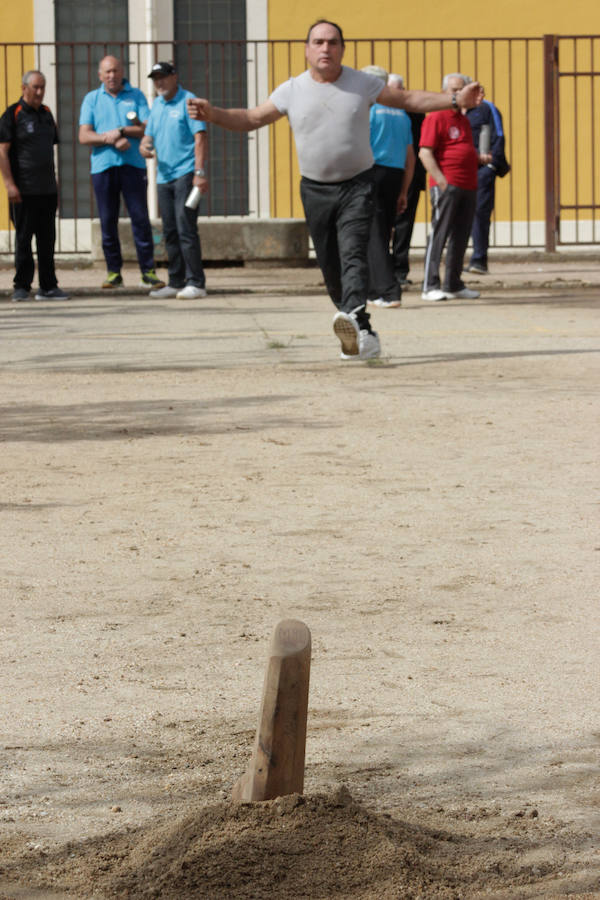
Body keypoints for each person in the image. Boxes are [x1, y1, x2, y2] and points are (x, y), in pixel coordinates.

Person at [187, 20, 481, 360]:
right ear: (307, 49)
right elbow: (251, 118)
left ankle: (353, 321)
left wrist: (455, 98)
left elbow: (409, 98)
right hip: (314, 190)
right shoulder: (291, 90)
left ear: (342, 48)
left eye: (332, 42)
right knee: (330, 266)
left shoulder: (362, 83)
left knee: (353, 253)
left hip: (358, 185)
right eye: (318, 42)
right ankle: (362, 329)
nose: (325, 48)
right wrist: (214, 114)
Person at [79, 56, 164, 290]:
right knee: (108, 221)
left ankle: (148, 272)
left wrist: (120, 130)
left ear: (122, 71)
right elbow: (84, 136)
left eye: (115, 71)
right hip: (103, 167)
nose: (112, 76)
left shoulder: (135, 96)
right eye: (107, 72)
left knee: (140, 219)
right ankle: (113, 272)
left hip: (133, 167)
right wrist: (110, 139)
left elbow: (147, 128)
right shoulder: (92, 99)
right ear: (100, 75)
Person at [140, 62, 208, 299]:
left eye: (162, 77)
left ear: (174, 77)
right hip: (163, 177)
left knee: (185, 228)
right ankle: (176, 281)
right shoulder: (156, 105)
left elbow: (200, 137)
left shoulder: (188, 101)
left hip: (186, 174)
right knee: (169, 230)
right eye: (155, 78)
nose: (159, 82)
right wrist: (144, 147)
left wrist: (199, 173)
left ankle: (196, 283)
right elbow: (147, 137)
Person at [0, 70, 68, 302]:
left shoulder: (47, 114)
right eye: (35, 87)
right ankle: (22, 286)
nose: (39, 92)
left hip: (47, 190)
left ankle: (48, 286)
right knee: (23, 239)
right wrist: (10, 184)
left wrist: (55, 186)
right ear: (24, 88)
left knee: (47, 240)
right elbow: (2, 151)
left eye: (42, 87)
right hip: (23, 191)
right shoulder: (13, 114)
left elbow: (50, 154)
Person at [419, 73, 483, 301]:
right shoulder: (436, 116)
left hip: (468, 184)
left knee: (461, 236)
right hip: (446, 184)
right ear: (445, 92)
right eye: (453, 90)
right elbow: (425, 152)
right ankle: (429, 285)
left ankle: (453, 284)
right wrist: (442, 182)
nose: (457, 94)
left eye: (461, 90)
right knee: (439, 233)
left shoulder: (463, 120)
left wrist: (477, 158)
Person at [362, 68, 415, 309]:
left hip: (372, 171)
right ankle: (375, 289)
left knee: (373, 232)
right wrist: (404, 191)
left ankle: (387, 289)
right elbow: (409, 156)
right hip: (395, 174)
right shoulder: (401, 114)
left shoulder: (368, 110)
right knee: (383, 232)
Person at [465, 85, 510, 274]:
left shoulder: (487, 109)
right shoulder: (452, 110)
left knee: (480, 214)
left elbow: (499, 135)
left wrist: (492, 165)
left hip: (482, 170)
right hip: (457, 171)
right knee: (455, 215)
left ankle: (479, 259)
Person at [390, 78, 426, 289]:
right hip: (385, 172)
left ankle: (400, 270)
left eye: (399, 90)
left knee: (405, 223)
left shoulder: (414, 114)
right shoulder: (375, 110)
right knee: (383, 224)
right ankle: (383, 269)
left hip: (410, 174)